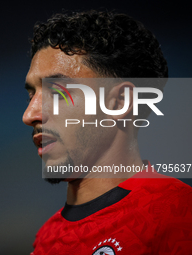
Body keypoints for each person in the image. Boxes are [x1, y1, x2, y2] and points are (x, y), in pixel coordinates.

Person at [23, 10, 192, 254]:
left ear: (120, 101)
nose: (29, 115)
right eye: (31, 94)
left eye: (58, 93)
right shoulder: (46, 239)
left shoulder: (179, 214)